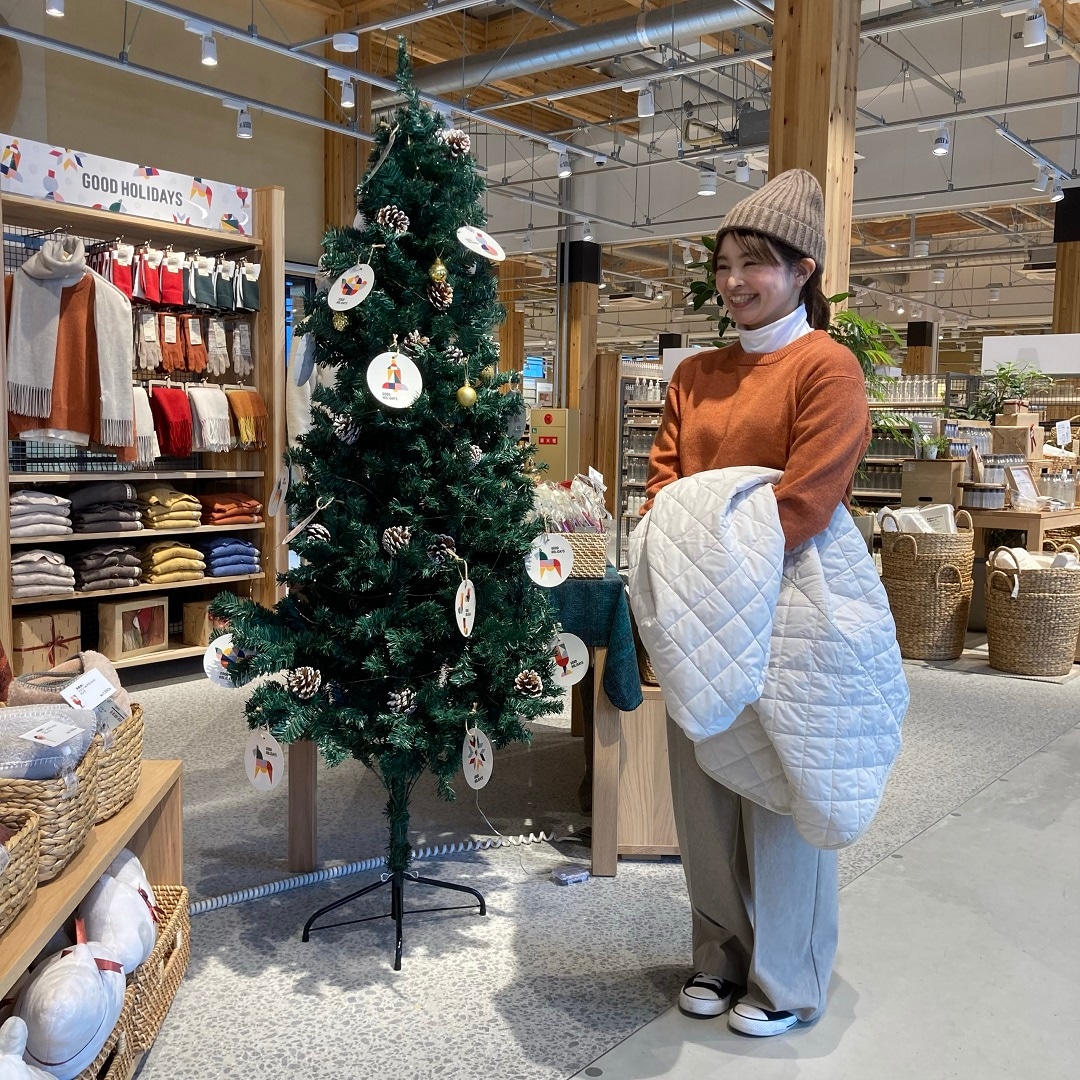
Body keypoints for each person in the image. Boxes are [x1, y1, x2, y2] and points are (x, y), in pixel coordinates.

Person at [642, 169, 873, 1037]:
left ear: (802, 270)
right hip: (695, 613)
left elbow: (805, 501)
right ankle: (718, 956)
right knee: (703, 791)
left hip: (788, 611)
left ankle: (785, 979)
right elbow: (663, 487)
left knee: (779, 794)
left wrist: (704, 538)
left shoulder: (826, 367)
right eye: (725, 264)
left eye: (756, 264)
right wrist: (692, 550)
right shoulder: (695, 374)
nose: (735, 281)